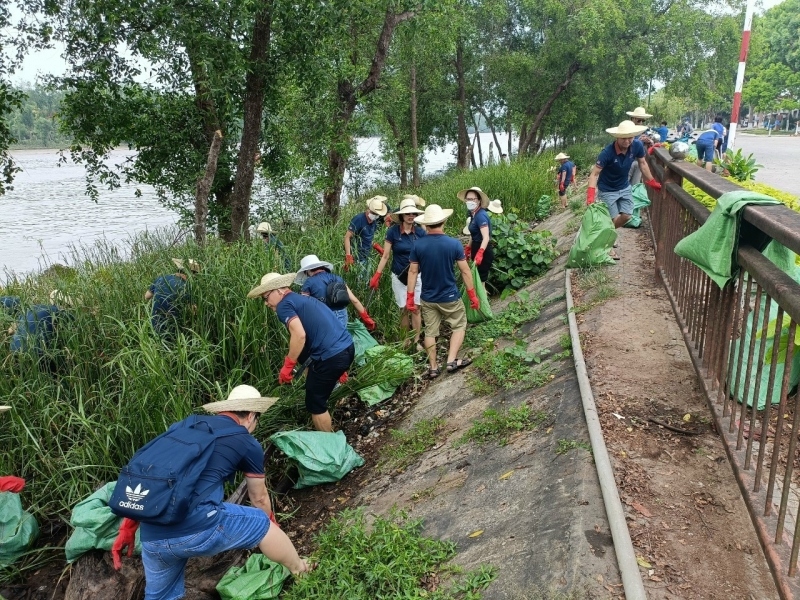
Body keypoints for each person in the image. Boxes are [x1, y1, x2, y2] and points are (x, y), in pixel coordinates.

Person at [110, 385, 312, 599]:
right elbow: (259, 498)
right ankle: (301, 570)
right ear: (252, 416)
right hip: (198, 527)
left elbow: (154, 477)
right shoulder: (246, 441)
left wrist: (128, 528)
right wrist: (272, 523)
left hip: (152, 535)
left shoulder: (182, 427)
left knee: (161, 596)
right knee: (261, 524)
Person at [248, 272, 354, 432]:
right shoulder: (303, 299)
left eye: (266, 297)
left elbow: (299, 335)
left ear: (279, 290)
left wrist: (288, 366)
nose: (266, 303)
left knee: (315, 403)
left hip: (332, 357)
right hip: (346, 348)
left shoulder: (284, 306)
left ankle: (331, 448)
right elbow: (328, 322)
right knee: (315, 386)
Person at [406, 204, 480, 379]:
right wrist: (472, 295)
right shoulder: (453, 244)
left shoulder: (418, 245)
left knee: (430, 331)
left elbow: (413, 272)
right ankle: (452, 360)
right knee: (459, 325)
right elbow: (465, 271)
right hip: (449, 296)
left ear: (426, 224)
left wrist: (410, 297)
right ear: (443, 221)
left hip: (428, 297)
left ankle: (433, 367)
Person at [587, 120, 663, 256]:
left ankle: (604, 235)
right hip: (607, 189)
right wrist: (590, 196)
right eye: (624, 138)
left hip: (624, 186)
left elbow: (643, 163)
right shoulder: (607, 153)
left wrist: (651, 180)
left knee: (627, 215)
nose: (627, 141)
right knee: (612, 218)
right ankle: (607, 244)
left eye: (630, 137)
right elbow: (594, 174)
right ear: (617, 137)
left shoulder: (637, 145)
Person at [370, 198, 427, 350]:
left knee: (415, 307)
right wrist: (377, 275)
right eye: (407, 213)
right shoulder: (393, 232)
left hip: (417, 276)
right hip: (399, 275)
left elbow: (426, 254)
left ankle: (416, 341)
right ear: (401, 216)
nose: (410, 216)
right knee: (403, 309)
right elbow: (386, 255)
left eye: (413, 213)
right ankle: (405, 340)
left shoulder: (420, 233)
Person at [296, 254, 376, 330]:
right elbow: (354, 300)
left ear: (307, 271)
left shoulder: (309, 283)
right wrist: (366, 317)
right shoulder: (338, 278)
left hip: (324, 316)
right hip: (342, 314)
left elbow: (304, 306)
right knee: (341, 339)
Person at [145, 258, 199, 336]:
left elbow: (146, 296)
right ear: (190, 274)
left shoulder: (161, 278)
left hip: (155, 328)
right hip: (174, 332)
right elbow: (194, 312)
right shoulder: (187, 287)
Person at [458, 187, 495, 286]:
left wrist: (480, 252)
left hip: (484, 250)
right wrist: (468, 247)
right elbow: (473, 234)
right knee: (476, 278)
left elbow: (486, 237)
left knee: (480, 281)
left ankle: (483, 301)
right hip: (476, 246)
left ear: (478, 200)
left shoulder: (481, 216)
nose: (470, 201)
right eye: (468, 199)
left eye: (472, 199)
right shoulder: (473, 214)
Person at [344, 196, 388, 273]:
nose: (375, 215)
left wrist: (376, 246)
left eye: (377, 214)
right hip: (356, 257)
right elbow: (347, 237)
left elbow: (367, 238)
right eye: (374, 213)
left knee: (365, 281)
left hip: (367, 256)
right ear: (369, 210)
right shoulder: (359, 219)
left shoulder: (374, 222)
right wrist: (348, 256)